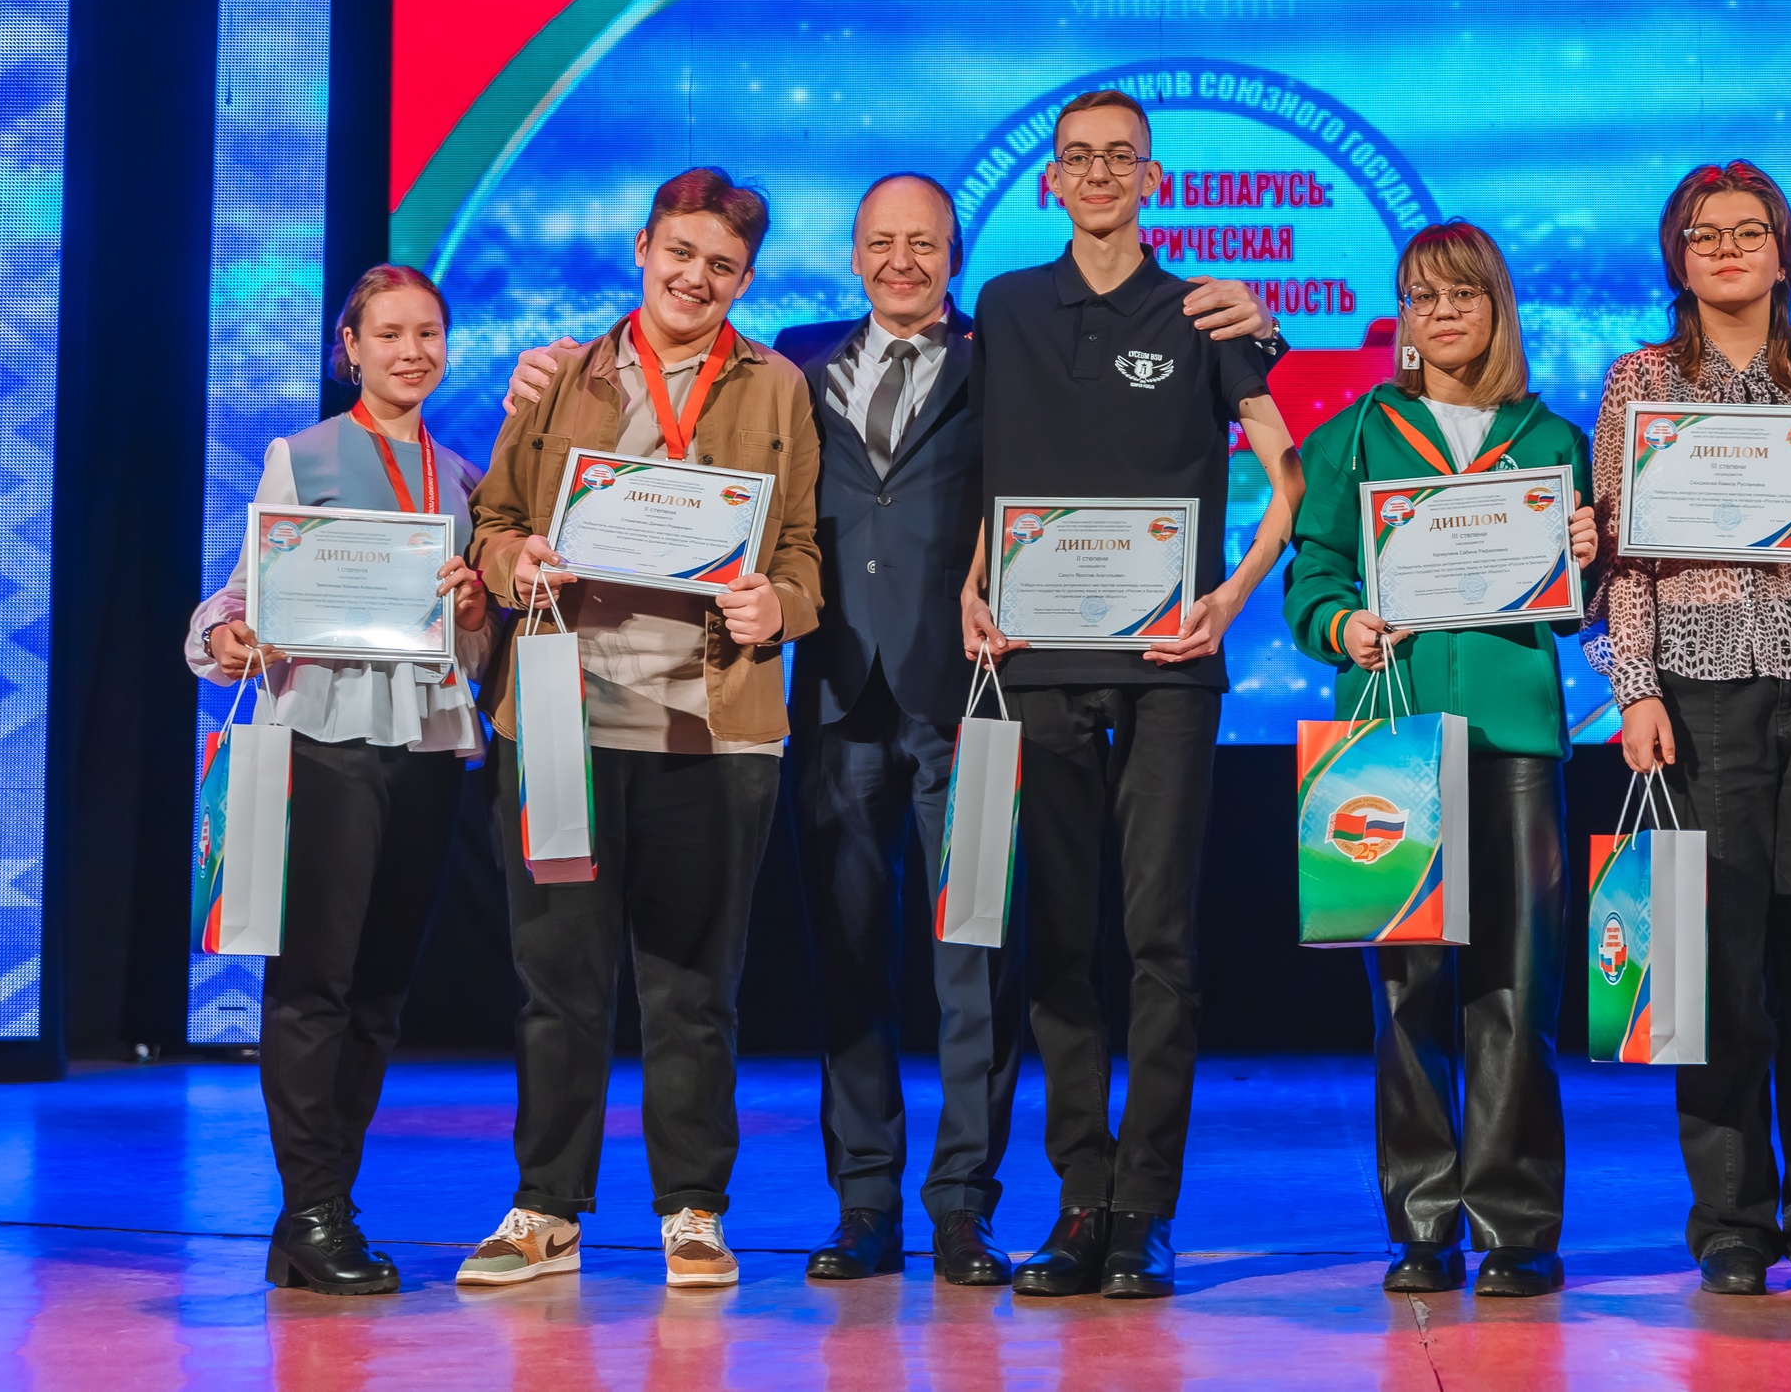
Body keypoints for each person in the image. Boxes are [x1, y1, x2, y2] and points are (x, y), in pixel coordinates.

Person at [501, 174, 1279, 1289]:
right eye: (881, 242)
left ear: (955, 257)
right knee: (850, 962)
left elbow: (1143, 395)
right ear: (854, 253)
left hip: (974, 702)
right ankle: (864, 1202)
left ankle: (963, 1206)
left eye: (924, 243)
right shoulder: (792, 361)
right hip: (835, 701)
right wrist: (546, 366)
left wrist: (1259, 327)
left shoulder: (1007, 351)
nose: (901, 261)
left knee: (975, 964)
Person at [960, 88, 1303, 1300]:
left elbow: (1288, 473)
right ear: (1050, 180)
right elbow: (987, 474)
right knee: (1057, 942)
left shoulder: (1205, 309)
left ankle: (1145, 1209)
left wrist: (1231, 597)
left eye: (1121, 158)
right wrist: (969, 585)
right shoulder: (1005, 307)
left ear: (1154, 180)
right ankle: (1079, 1203)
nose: (1098, 174)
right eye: (1078, 158)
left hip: (1169, 668)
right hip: (1037, 662)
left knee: (1158, 941)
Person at [459, 165, 822, 1290]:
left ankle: (693, 1212)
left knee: (693, 989)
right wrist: (512, 560)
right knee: (558, 980)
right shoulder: (559, 376)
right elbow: (493, 520)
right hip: (560, 718)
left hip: (713, 729)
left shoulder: (777, 387)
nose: (696, 278)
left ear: (744, 280)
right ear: (641, 250)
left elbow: (801, 550)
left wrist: (782, 606)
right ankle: (545, 1211)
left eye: (722, 265)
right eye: (680, 253)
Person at [1281, 221, 1599, 1298]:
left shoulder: (1551, 439)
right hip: (1395, 741)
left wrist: (1588, 562)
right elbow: (1313, 574)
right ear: (1404, 318)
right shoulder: (1354, 437)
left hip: (1516, 741)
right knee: (1409, 989)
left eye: (1464, 293)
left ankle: (1516, 1226)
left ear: (1497, 308)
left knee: (1516, 985)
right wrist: (1343, 626)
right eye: (1423, 296)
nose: (1444, 312)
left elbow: (1576, 611)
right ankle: (1422, 1223)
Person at [1594, 160, 1791, 1299]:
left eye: (1748, 231)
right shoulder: (1639, 382)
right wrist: (1634, 688)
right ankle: (1729, 1220)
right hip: (1698, 692)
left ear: (1782, 251)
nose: (1727, 249)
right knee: (1712, 971)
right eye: (1704, 234)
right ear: (1678, 258)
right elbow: (1621, 558)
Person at [185, 264, 493, 1295]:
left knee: (380, 991)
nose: (412, 351)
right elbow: (241, 595)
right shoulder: (304, 453)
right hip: (325, 735)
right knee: (314, 981)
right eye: (389, 333)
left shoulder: (462, 476)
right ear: (349, 347)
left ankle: (323, 1208)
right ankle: (312, 1208)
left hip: (426, 744)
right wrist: (227, 635)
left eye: (428, 333)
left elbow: (470, 646)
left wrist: (476, 609)